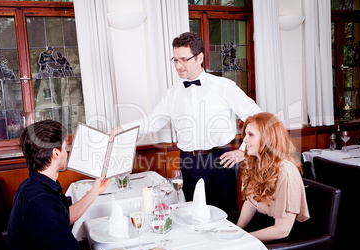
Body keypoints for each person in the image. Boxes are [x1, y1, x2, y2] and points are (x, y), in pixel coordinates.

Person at [110, 32, 261, 213]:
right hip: (187, 163)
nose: (178, 66)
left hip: (220, 161)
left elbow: (257, 119)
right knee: (191, 216)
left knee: (224, 217)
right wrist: (122, 129)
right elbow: (152, 122)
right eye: (174, 60)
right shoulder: (172, 93)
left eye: (183, 59)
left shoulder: (224, 87)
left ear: (199, 58)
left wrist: (243, 151)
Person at [7, 120, 179, 250]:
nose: (67, 153)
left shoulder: (35, 185)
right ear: (56, 153)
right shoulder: (40, 201)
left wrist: (94, 191)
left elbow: (64, 217)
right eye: (65, 148)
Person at [236, 112, 310, 242]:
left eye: (251, 135)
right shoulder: (254, 162)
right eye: (245, 134)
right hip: (262, 226)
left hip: (284, 240)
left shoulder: (286, 172)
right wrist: (237, 230)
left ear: (267, 138)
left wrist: (242, 239)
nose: (245, 140)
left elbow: (282, 231)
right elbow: (251, 202)